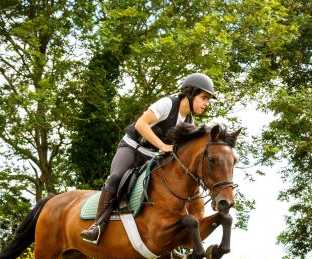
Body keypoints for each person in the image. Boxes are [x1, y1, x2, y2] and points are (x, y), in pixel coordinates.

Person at [81, 73, 215, 244]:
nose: (206, 104)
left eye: (208, 100)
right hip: (132, 148)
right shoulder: (167, 103)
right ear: (190, 93)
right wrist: (162, 146)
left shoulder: (188, 122)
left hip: (151, 158)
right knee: (116, 177)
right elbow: (140, 124)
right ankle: (97, 226)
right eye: (204, 98)